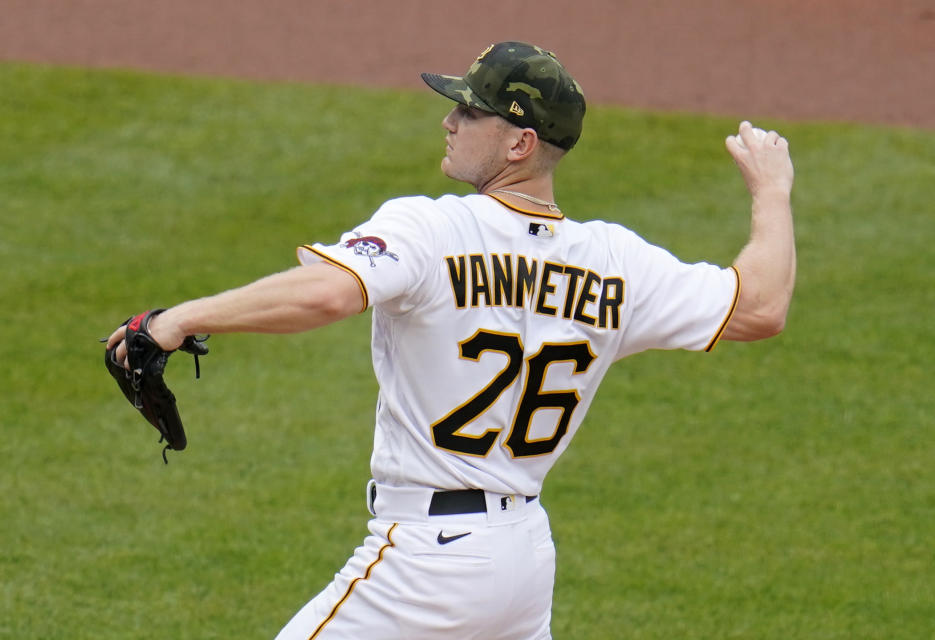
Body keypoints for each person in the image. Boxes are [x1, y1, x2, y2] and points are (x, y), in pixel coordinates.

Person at [107, 41, 795, 639]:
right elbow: (759, 307)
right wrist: (770, 189)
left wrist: (174, 320)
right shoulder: (617, 261)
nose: (449, 120)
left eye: (470, 112)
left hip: (426, 562)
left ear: (519, 142)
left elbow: (325, 293)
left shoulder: (432, 229)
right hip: (521, 557)